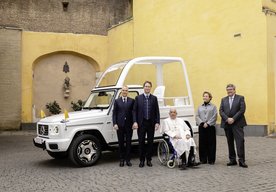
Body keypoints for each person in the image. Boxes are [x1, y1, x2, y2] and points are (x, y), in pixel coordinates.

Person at [219, 84, 248, 168]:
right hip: (227, 124)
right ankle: (232, 160)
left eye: (231, 89)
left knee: (240, 142)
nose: (229, 91)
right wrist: (227, 119)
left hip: (237, 124)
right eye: (228, 90)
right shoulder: (223, 99)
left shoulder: (240, 98)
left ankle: (241, 160)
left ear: (234, 90)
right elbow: (221, 111)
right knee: (230, 142)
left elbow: (242, 110)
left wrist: (233, 119)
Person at [132, 81, 160, 168]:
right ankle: (142, 160)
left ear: (150, 88)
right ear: (143, 88)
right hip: (141, 123)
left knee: (150, 142)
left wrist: (157, 122)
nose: (147, 88)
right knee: (141, 142)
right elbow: (134, 111)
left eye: (149, 86)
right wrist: (135, 121)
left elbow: (157, 112)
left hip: (151, 123)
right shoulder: (138, 98)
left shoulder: (154, 98)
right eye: (146, 86)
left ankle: (149, 160)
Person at [112, 86, 135, 167]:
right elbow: (114, 113)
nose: (124, 92)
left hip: (129, 125)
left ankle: (128, 160)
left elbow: (133, 113)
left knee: (128, 143)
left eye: (126, 90)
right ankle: (121, 160)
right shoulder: (117, 101)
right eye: (123, 90)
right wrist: (114, 123)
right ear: (121, 92)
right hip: (120, 125)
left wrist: (134, 122)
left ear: (127, 91)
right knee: (121, 143)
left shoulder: (132, 101)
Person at [196, 91, 217, 165]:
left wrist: (208, 123)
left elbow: (215, 116)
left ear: (210, 98)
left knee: (211, 143)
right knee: (202, 143)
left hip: (210, 127)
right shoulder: (199, 107)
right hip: (202, 127)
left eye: (206, 96)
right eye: (204, 96)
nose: (204, 97)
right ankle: (203, 159)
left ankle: (211, 159)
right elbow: (197, 116)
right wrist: (202, 123)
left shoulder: (213, 107)